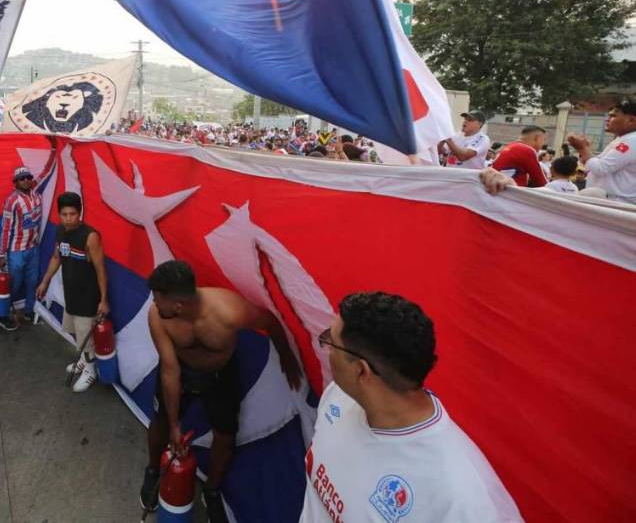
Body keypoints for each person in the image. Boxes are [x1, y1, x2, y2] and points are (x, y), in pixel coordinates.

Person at [302, 292, 521, 522]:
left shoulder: (464, 500)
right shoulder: (339, 397)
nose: (325, 347)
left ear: (361, 370)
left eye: (332, 343)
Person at [141, 260, 303, 523]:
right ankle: (152, 470)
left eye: (159, 299)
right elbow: (170, 370)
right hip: (181, 372)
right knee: (160, 422)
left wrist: (286, 357)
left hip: (220, 375)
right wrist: (174, 425)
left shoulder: (229, 311)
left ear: (178, 305)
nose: (155, 304)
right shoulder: (157, 317)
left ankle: (212, 489)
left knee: (226, 436)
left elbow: (270, 322)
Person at [35, 192, 110, 393]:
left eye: (73, 214)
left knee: (87, 336)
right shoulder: (60, 231)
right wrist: (45, 281)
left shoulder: (90, 236)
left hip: (88, 296)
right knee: (75, 331)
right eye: (64, 214)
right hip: (71, 293)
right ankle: (85, 362)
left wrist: (103, 300)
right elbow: (56, 258)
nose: (68, 218)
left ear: (80, 213)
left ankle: (90, 370)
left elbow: (101, 269)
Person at [0, 166, 43, 331]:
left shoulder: (36, 195)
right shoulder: (12, 201)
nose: (26, 180)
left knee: (32, 282)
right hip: (15, 251)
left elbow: (45, 171)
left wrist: (52, 149)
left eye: (28, 177)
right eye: (22, 178)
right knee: (12, 285)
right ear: (15, 182)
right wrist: (2, 254)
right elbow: (6, 229)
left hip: (33, 249)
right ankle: (2, 316)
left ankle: (29, 311)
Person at [567, 99, 636, 204]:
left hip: (615, 202)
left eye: (613, 116)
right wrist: (586, 150)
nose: (607, 120)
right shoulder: (624, 139)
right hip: (608, 200)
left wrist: (583, 149)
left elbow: (601, 168)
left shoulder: (631, 140)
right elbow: (596, 165)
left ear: (631, 120)